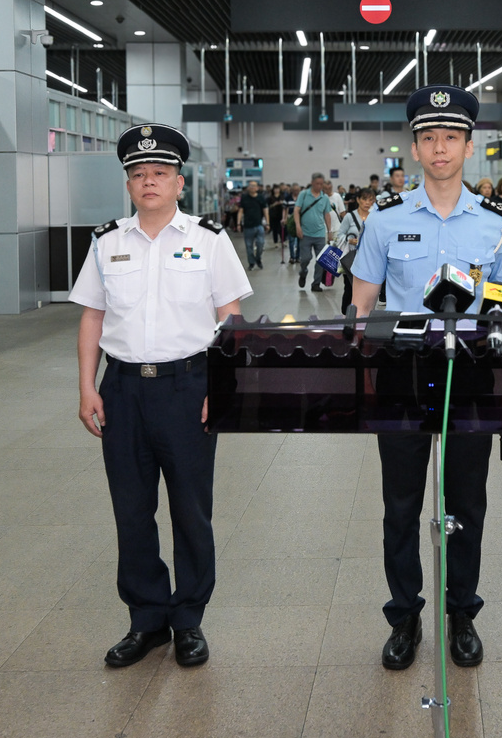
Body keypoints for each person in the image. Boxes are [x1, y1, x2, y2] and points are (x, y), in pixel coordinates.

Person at [350, 84, 502, 671]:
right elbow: (362, 305)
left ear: (469, 147)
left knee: (466, 502)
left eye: (451, 137)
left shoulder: (496, 225)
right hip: (402, 374)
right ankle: (404, 615)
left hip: (471, 374)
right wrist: (362, 370)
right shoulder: (385, 219)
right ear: (416, 148)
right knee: (400, 505)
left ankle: (462, 613)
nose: (440, 147)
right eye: (429, 137)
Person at [71, 123, 252, 669]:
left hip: (188, 387)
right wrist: (86, 386)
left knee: (191, 511)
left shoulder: (209, 239)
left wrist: (221, 386)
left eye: (159, 173)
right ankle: (146, 619)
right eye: (138, 174)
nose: (148, 181)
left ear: (179, 182)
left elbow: (231, 320)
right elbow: (92, 317)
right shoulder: (107, 242)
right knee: (132, 510)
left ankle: (189, 619)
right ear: (129, 184)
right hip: (123, 389)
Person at [294, 173, 335, 292]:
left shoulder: (324, 197)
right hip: (305, 233)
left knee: (321, 260)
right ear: (312, 183)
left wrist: (329, 231)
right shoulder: (303, 194)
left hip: (320, 234)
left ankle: (316, 283)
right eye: (317, 184)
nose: (319, 186)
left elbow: (327, 214)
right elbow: (296, 210)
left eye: (321, 184)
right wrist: (298, 226)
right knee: (305, 258)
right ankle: (303, 272)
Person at [337, 186, 374, 314]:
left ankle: (362, 313)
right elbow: (340, 234)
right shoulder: (350, 216)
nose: (367, 203)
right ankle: (346, 313)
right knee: (349, 287)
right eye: (364, 199)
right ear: (358, 200)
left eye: (371, 200)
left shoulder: (375, 217)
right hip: (351, 259)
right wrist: (349, 240)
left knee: (367, 289)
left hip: (369, 259)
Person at [237, 180, 267, 270]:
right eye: (251, 186)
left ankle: (258, 258)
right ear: (248, 188)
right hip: (248, 226)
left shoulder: (261, 198)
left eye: (254, 186)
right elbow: (240, 211)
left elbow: (265, 210)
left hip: (259, 225)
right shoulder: (244, 198)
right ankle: (251, 263)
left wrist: (268, 223)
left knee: (260, 244)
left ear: (257, 188)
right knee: (249, 247)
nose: (252, 187)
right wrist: (238, 223)